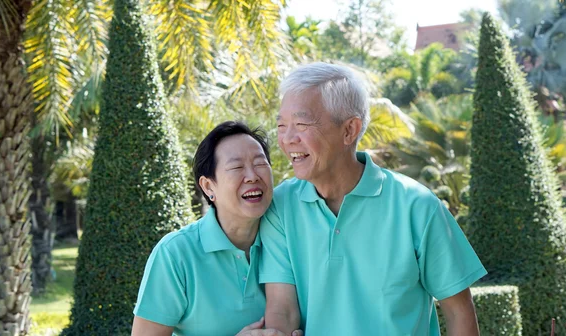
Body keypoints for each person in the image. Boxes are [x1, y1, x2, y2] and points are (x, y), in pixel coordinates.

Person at [260, 63, 488, 335]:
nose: (287, 139)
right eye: (281, 125)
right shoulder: (280, 207)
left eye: (300, 124)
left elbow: (459, 311)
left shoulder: (417, 206)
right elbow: (282, 310)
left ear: (349, 130)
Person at [132, 121, 299, 336]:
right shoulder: (175, 254)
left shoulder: (289, 237)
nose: (252, 176)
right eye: (237, 167)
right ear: (209, 187)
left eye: (260, 163)